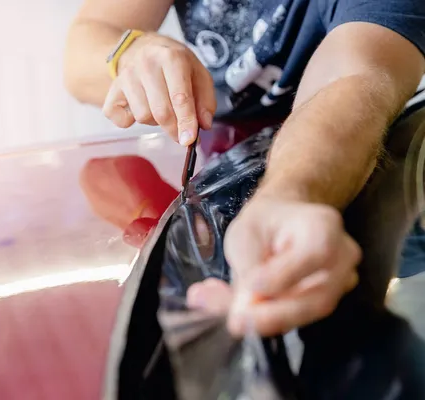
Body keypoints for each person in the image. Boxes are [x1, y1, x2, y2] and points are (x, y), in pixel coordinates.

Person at [64, 0, 425, 338]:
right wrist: (129, 53)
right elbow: (85, 46)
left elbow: (355, 75)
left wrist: (290, 194)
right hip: (214, 160)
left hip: (356, 168)